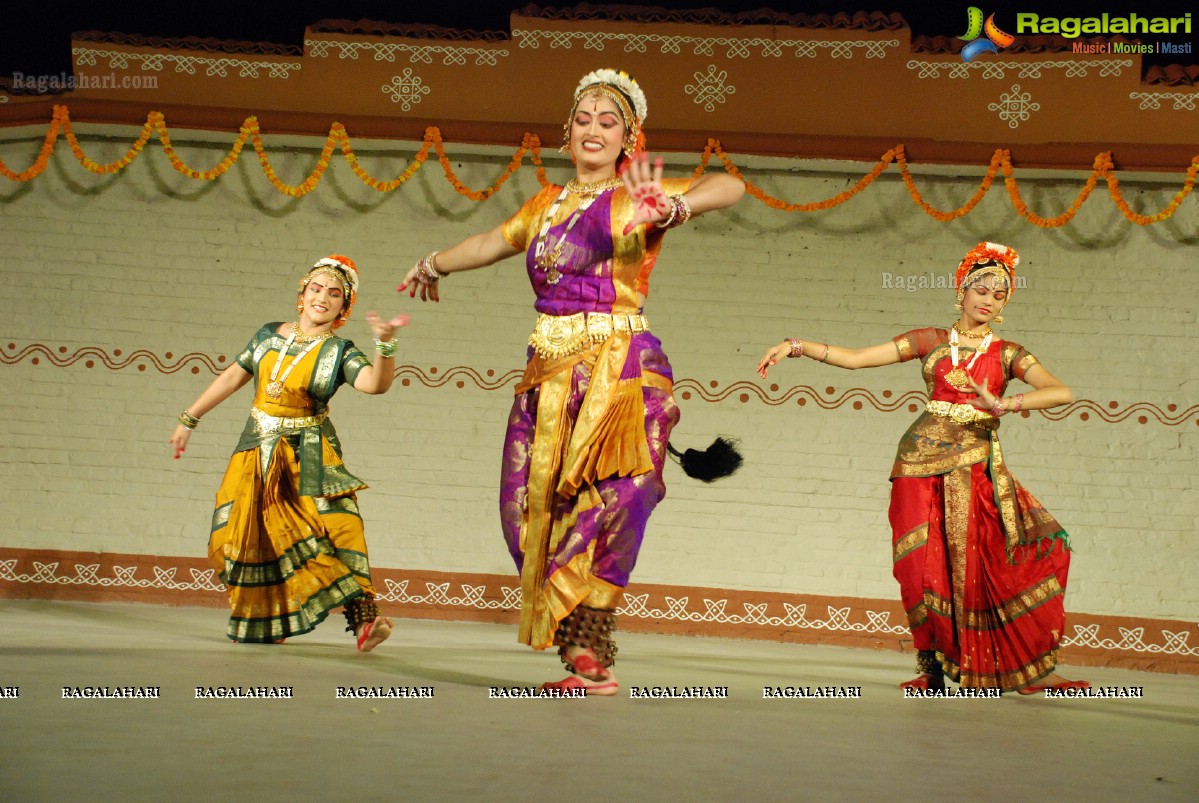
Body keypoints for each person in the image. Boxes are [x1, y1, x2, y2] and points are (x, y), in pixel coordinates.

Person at [399, 68, 745, 694]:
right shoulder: (543, 205)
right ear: (566, 134)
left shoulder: (638, 198)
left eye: (607, 121)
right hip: (547, 373)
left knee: (620, 498)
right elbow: (488, 243)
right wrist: (434, 263)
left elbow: (731, 184)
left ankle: (589, 645)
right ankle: (572, 631)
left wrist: (676, 205)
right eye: (582, 118)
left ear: (627, 140)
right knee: (525, 510)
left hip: (620, 368)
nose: (592, 128)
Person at [757, 242, 1089, 694]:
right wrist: (795, 346)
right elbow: (856, 359)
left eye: (998, 294)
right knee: (918, 568)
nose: (987, 299)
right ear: (962, 290)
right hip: (916, 463)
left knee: (990, 561)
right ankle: (930, 670)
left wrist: (1005, 402)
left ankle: (1023, 668)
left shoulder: (1010, 353)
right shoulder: (930, 340)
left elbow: (1060, 391)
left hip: (974, 467)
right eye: (980, 289)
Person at [169, 255, 408, 651]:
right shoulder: (267, 335)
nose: (322, 298)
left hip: (310, 452)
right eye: (316, 289)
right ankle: (270, 619)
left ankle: (365, 620)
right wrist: (189, 419)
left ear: (343, 308)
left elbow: (373, 385)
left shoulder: (339, 350)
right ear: (301, 296)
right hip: (256, 449)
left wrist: (385, 346)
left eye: (334, 294)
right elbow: (232, 376)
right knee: (254, 532)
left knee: (338, 527)